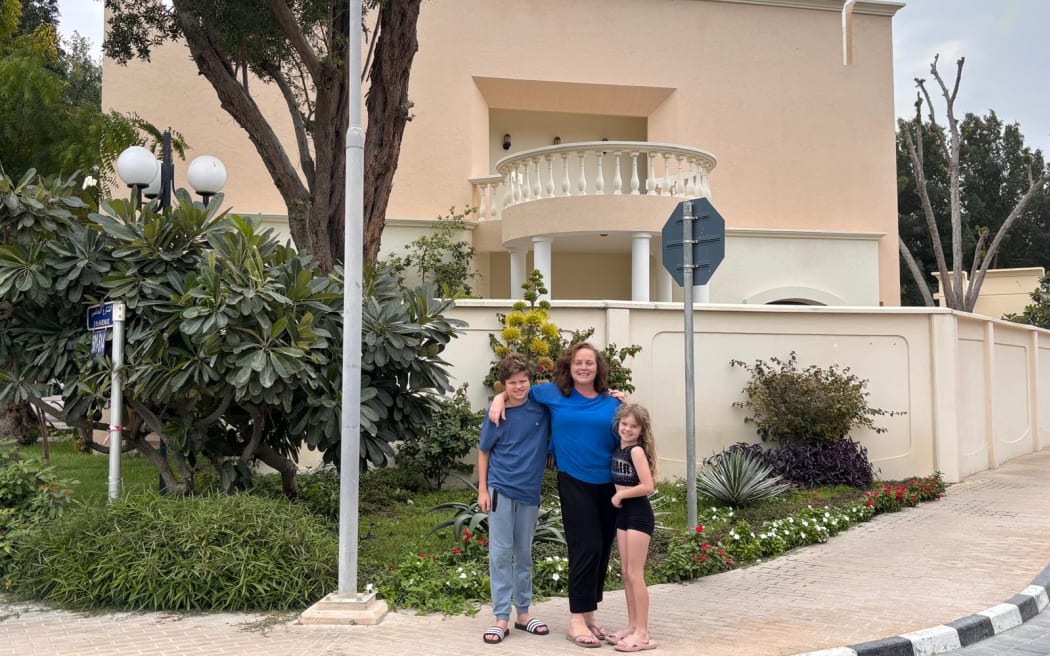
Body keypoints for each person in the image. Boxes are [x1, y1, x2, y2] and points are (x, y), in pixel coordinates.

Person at [489, 342, 623, 649]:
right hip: (574, 481)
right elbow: (517, 388)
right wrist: (498, 398)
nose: (584, 367)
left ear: (598, 368)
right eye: (578, 362)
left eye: (590, 363)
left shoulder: (610, 402)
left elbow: (627, 433)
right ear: (569, 366)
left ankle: (589, 615)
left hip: (609, 486)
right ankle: (576, 619)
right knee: (584, 547)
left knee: (601, 549)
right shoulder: (553, 393)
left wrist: (621, 399)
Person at [478, 353, 551, 644]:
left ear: (530, 381)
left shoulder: (541, 408)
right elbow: (484, 451)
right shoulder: (497, 412)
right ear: (503, 384)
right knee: (500, 554)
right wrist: (483, 489)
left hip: (529, 492)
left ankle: (523, 614)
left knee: (523, 554)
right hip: (500, 489)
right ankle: (500, 618)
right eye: (512, 383)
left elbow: (572, 395)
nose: (519, 387)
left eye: (523, 381)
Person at [607, 403, 658, 652]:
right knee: (626, 573)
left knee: (636, 574)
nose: (627, 429)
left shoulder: (636, 451)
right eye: (624, 424)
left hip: (638, 515)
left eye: (633, 426)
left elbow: (648, 486)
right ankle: (631, 626)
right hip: (623, 516)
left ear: (641, 430)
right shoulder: (619, 448)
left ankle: (643, 633)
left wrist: (621, 496)